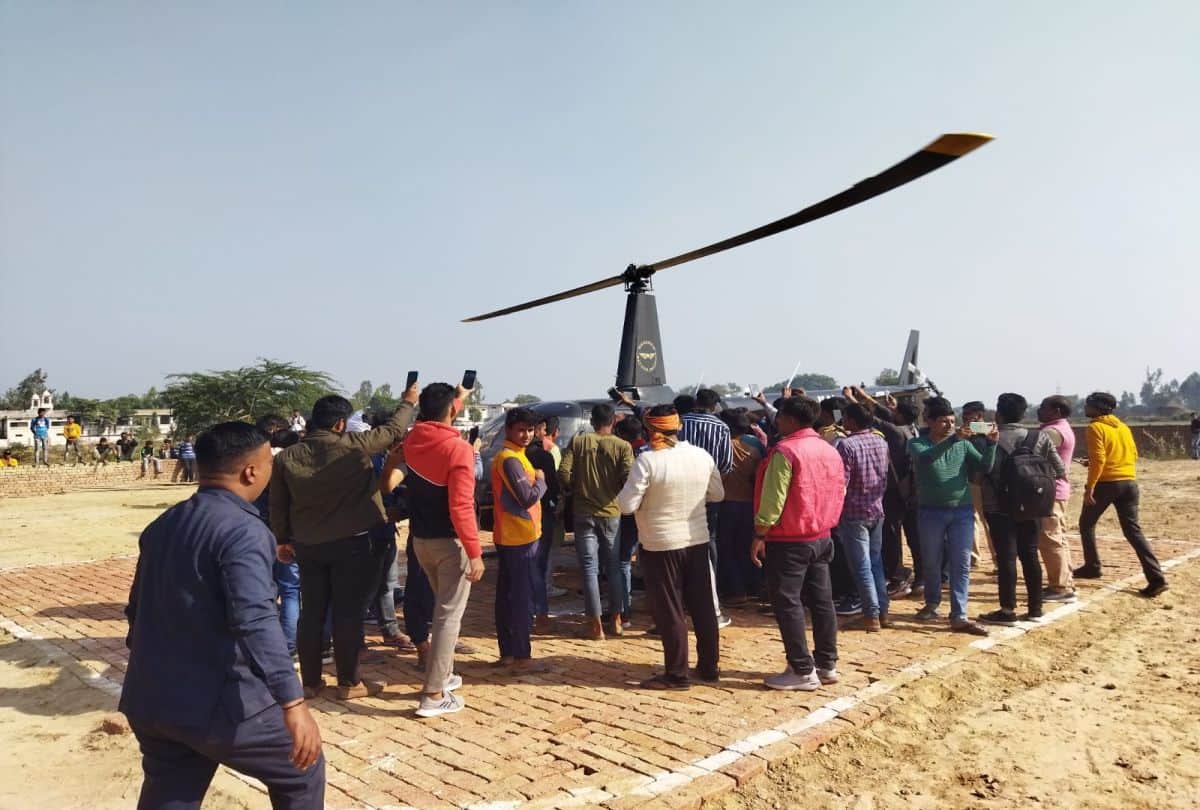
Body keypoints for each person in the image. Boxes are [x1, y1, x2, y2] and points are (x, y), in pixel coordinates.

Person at [120, 422, 324, 808]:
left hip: (150, 700)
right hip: (215, 705)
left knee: (172, 787)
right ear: (251, 471)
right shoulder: (244, 531)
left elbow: (137, 610)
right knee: (302, 767)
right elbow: (257, 620)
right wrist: (292, 703)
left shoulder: (163, 524)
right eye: (269, 463)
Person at [271, 387, 418, 701]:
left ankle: (310, 682)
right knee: (347, 613)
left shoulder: (286, 458)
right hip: (353, 544)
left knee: (311, 613)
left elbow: (278, 505)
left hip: (308, 545)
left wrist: (282, 540)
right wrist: (409, 401)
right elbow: (393, 430)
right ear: (339, 424)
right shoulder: (354, 446)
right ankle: (348, 683)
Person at [617, 405, 724, 689]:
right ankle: (709, 666)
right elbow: (717, 493)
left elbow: (626, 505)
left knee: (670, 610)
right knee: (702, 607)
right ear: (678, 427)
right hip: (697, 539)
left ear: (651, 430)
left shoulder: (648, 461)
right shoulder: (701, 455)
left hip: (660, 543)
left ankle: (677, 674)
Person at [751, 397, 846, 691]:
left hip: (790, 539)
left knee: (788, 602)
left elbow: (773, 500)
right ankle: (826, 663)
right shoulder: (828, 449)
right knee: (821, 601)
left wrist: (759, 533)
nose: (777, 422)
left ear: (790, 420)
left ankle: (801, 669)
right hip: (821, 534)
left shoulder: (786, 451)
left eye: (780, 417)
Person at [403, 382, 484, 717]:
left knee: (443, 612)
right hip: (451, 543)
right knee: (448, 617)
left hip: (421, 541)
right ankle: (433, 695)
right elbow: (461, 505)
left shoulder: (412, 439)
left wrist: (455, 399)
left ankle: (445, 676)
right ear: (453, 409)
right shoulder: (459, 449)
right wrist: (475, 551)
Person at [908, 397, 997, 636]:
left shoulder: (963, 444)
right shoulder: (918, 444)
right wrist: (955, 440)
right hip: (930, 512)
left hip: (962, 511)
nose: (949, 425)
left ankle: (959, 614)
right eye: (943, 422)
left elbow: (984, 467)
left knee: (961, 564)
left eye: (951, 421)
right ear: (930, 422)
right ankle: (932, 602)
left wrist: (991, 446)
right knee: (931, 561)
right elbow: (926, 460)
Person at [977, 393, 1066, 625]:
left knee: (1006, 558)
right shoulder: (1039, 437)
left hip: (997, 506)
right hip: (1032, 506)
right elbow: (1058, 469)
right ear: (1024, 413)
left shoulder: (988, 436)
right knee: (1030, 555)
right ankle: (1035, 608)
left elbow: (979, 473)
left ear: (998, 413)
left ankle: (1007, 610)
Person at [1074, 392, 1167, 597]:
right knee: (1133, 531)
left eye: (1088, 404)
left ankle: (1092, 566)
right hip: (1129, 483)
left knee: (1086, 524)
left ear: (1098, 408)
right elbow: (1132, 453)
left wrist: (1089, 488)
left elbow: (1099, 460)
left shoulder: (1095, 427)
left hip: (1107, 484)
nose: (1085, 408)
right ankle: (1156, 578)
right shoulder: (1123, 427)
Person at [559, 403, 633, 639]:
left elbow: (563, 472)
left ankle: (594, 624)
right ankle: (617, 619)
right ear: (613, 422)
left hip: (583, 511)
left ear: (592, 421)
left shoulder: (578, 442)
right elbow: (628, 477)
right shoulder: (623, 446)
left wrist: (575, 489)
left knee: (589, 568)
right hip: (611, 512)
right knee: (613, 567)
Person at [490, 407, 547, 669]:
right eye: (521, 429)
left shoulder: (517, 457)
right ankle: (521, 655)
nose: (526, 434)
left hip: (515, 534)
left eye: (530, 429)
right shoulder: (510, 459)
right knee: (521, 597)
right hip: (518, 537)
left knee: (509, 595)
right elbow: (527, 497)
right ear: (509, 430)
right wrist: (541, 482)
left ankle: (509, 652)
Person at [679, 388, 734, 628]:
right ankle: (710, 594)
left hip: (680, 491)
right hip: (708, 494)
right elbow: (726, 464)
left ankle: (683, 598)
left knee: (681, 543)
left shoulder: (680, 423)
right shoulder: (721, 427)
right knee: (708, 541)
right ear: (714, 406)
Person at [837, 404, 892, 632]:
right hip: (876, 508)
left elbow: (843, 482)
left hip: (853, 512)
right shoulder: (881, 441)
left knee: (861, 566)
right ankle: (883, 610)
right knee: (875, 563)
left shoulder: (846, 445)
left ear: (851, 420)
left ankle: (871, 615)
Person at [715, 408, 764, 605]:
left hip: (727, 502)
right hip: (750, 502)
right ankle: (753, 585)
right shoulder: (756, 445)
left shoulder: (722, 445)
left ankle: (736, 591)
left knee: (727, 548)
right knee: (747, 546)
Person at [1037, 395, 1078, 601]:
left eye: (1044, 407)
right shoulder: (1063, 427)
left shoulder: (1051, 432)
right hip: (1059, 490)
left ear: (1057, 411)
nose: (1039, 410)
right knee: (1058, 537)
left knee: (1050, 538)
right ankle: (1065, 581)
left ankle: (1059, 587)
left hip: (1050, 490)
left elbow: (1033, 455)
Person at [527, 416, 562, 634]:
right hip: (542, 515)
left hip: (518, 518)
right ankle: (540, 614)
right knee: (539, 567)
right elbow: (553, 487)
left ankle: (526, 611)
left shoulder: (512, 456)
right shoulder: (544, 456)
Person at [961, 401, 996, 572]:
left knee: (987, 522)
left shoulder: (985, 429)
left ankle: (997, 559)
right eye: (964, 413)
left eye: (968, 413)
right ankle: (973, 557)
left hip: (982, 482)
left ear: (979, 415)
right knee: (970, 520)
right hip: (967, 481)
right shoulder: (966, 431)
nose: (964, 416)